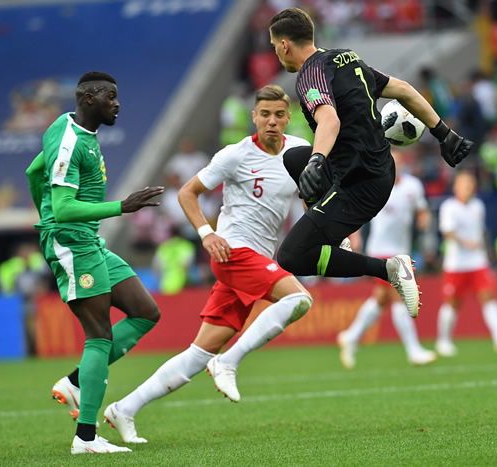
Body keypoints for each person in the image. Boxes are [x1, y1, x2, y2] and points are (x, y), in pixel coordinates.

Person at [100, 85, 313, 444]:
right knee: (299, 300)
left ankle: (124, 409)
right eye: (265, 114)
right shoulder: (235, 155)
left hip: (257, 258)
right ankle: (229, 362)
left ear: (288, 116)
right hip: (232, 253)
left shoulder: (299, 153)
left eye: (279, 114)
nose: (272, 122)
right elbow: (187, 192)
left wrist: (327, 233)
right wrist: (206, 233)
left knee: (198, 354)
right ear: (254, 117)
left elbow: (308, 199)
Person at [267, 8, 474, 320]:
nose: (275, 52)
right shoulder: (346, 59)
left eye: (273, 46)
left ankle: (389, 268)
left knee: (292, 256)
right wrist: (444, 133)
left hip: (359, 183)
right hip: (372, 168)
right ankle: (334, 236)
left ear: (284, 45)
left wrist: (317, 160)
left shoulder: (310, 74)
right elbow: (402, 89)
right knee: (294, 158)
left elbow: (329, 119)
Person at [25, 71, 164, 455]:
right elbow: (67, 207)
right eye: (111, 97)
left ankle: (75, 383)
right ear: (89, 99)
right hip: (73, 245)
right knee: (99, 335)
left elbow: (34, 172)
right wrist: (124, 206)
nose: (117, 103)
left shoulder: (68, 130)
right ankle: (86, 438)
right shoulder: (71, 141)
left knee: (145, 311)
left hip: (90, 241)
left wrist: (45, 213)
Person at [337, 151, 437, 368]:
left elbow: (421, 210)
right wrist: (354, 236)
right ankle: (413, 351)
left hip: (401, 250)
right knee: (400, 295)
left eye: (397, 163)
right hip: (380, 250)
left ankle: (351, 337)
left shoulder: (413, 186)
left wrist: (424, 219)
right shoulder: (374, 185)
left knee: (381, 299)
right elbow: (358, 213)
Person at [435, 171, 497, 357]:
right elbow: (448, 232)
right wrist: (467, 242)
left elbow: (481, 232)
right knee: (452, 302)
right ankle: (443, 340)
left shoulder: (478, 206)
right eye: (464, 184)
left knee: (489, 296)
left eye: (470, 184)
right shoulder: (449, 207)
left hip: (477, 261)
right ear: (456, 187)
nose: (467, 188)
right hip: (456, 263)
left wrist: (486, 253)